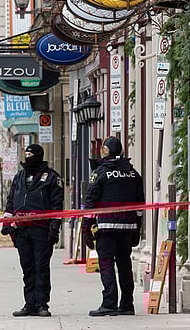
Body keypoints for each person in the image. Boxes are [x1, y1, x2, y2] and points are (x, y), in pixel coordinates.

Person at [82, 136, 145, 317]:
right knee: (125, 264)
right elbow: (140, 205)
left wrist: (87, 227)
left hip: (107, 227)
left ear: (106, 151)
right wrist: (137, 228)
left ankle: (109, 302)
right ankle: (127, 304)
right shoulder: (133, 173)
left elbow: (90, 201)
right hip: (127, 227)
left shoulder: (101, 172)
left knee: (107, 263)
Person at [1, 144, 64, 317]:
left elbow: (57, 205)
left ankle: (42, 304)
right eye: (26, 153)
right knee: (27, 267)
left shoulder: (52, 177)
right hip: (22, 230)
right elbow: (11, 201)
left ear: (39, 155)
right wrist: (7, 223)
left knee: (41, 267)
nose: (27, 156)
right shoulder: (19, 177)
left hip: (41, 230)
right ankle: (29, 304)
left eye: (30, 154)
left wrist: (54, 227)